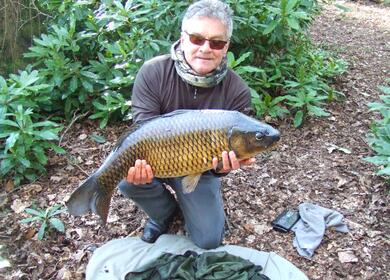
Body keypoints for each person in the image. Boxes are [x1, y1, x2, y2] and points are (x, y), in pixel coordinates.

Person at [118, 0, 255, 249]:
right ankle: (164, 214)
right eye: (196, 39)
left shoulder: (237, 92)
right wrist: (142, 168)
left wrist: (223, 168)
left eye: (216, 42)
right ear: (182, 39)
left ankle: (193, 206)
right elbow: (143, 134)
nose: (206, 48)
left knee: (209, 240)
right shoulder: (153, 73)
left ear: (226, 47)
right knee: (125, 175)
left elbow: (222, 162)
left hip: (200, 169)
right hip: (157, 159)